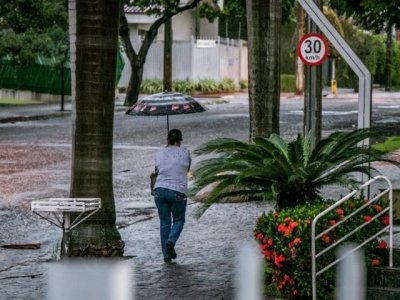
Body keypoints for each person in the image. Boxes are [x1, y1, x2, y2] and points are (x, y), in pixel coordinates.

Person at [153, 129, 191, 262]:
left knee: (164, 222)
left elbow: (157, 170)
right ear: (180, 140)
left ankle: (166, 255)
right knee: (179, 220)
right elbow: (187, 169)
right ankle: (171, 240)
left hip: (160, 190)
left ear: (167, 140)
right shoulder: (185, 152)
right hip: (178, 191)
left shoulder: (159, 152)